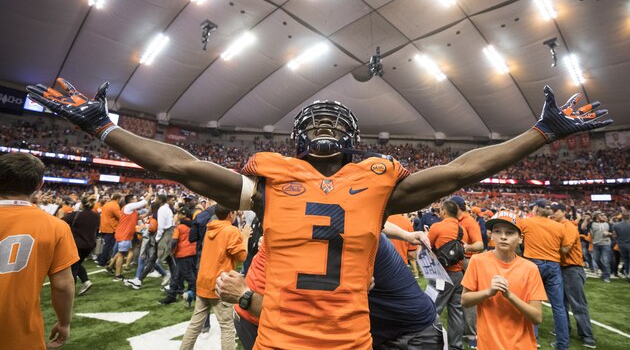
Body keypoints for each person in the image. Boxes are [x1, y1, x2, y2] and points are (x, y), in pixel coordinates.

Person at [26, 79, 612, 349]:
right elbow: (182, 166)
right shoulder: (327, 184)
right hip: (312, 339)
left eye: (336, 126)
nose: (327, 131)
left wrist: (105, 128)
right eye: (319, 124)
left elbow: (462, 172)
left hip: (316, 339)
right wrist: (540, 133)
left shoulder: (296, 186)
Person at [216, 230, 442, 350]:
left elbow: (305, 317)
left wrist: (244, 296)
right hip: (393, 331)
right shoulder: (343, 230)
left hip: (412, 336)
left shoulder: (347, 244)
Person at [0, 153, 79, 349]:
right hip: (19, 335)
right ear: (39, 185)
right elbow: (62, 285)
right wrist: (64, 322)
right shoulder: (56, 227)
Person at [461, 210, 547, 350]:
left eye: (510, 233)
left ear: (520, 238)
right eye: (497, 231)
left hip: (522, 345)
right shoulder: (477, 261)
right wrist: (488, 292)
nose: (503, 237)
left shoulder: (530, 269)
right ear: (491, 235)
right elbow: (465, 300)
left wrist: (509, 295)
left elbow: (536, 317)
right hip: (487, 346)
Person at [180, 205, 250, 349]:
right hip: (220, 284)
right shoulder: (231, 230)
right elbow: (242, 256)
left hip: (203, 282)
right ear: (231, 214)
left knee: (194, 325)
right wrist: (245, 237)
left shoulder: (210, 228)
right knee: (227, 327)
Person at [518, 199, 571, 350]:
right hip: (553, 265)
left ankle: (533, 339)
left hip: (533, 264)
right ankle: (563, 344)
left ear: (535, 208)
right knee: (559, 306)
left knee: (530, 303)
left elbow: (517, 239)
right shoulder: (559, 226)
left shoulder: (526, 222)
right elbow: (565, 249)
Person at [551, 202, 597, 348]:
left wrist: (546, 247)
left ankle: (587, 336)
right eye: (551, 211)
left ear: (563, 212)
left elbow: (564, 249)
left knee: (578, 304)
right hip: (561, 268)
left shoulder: (568, 226)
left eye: (555, 211)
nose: (553, 213)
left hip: (572, 269)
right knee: (561, 304)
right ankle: (565, 330)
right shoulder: (557, 226)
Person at [428, 200, 469, 350]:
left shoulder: (437, 226)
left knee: (432, 309)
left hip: (441, 274)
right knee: (456, 312)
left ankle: (431, 343)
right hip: (458, 274)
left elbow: (428, 244)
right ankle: (456, 346)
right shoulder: (461, 229)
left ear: (444, 211)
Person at [450, 195, 483, 349]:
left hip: (467, 261)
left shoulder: (469, 221)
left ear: (457, 207)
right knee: (458, 299)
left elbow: (479, 245)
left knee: (468, 299)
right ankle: (464, 330)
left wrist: (464, 247)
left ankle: (472, 334)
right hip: (456, 262)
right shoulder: (457, 221)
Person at [63, 195, 100, 295]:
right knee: (77, 264)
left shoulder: (75, 215)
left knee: (73, 267)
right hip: (89, 245)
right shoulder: (96, 216)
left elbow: (60, 222)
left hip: (76, 244)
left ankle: (70, 292)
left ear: (82, 205)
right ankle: (85, 281)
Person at [590, 211, 613, 282]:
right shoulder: (592, 224)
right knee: (596, 259)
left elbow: (614, 234)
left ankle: (606, 276)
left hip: (605, 244)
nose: (603, 216)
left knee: (605, 260)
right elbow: (591, 234)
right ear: (597, 217)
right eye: (601, 215)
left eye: (603, 215)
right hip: (596, 244)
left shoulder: (607, 224)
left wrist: (608, 233)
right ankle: (604, 271)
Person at [612, 211, 630, 280]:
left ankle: (628, 274)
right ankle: (629, 275)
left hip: (621, 245)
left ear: (622, 217)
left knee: (626, 260)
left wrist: (618, 242)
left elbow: (614, 236)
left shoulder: (615, 225)